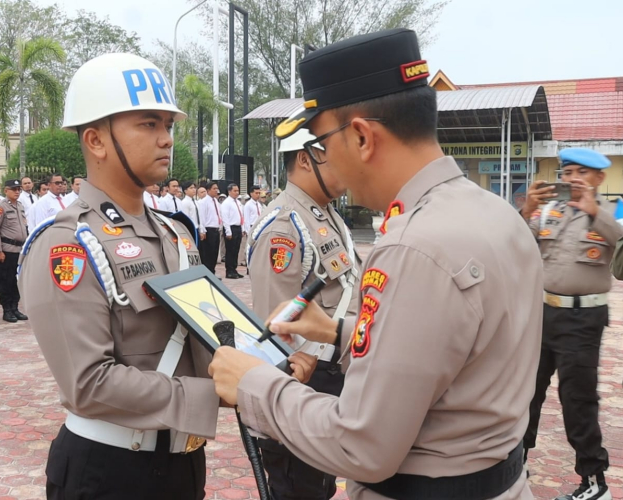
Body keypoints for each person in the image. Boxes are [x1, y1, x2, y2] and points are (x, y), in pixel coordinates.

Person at [209, 28, 543, 499]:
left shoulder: (413, 245)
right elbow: (451, 348)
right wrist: (337, 331)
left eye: (322, 143)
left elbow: (362, 444)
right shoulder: (495, 213)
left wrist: (253, 384)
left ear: (362, 136)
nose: (325, 162)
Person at [19, 52, 226, 500]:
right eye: (148, 125)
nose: (166, 139)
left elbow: (202, 336)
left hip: (182, 462)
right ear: (96, 140)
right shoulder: (68, 244)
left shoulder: (173, 233)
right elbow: (88, 382)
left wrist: (259, 366)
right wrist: (212, 395)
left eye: (168, 126)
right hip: (109, 470)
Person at [247, 128, 361, 500]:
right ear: (304, 158)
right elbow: (276, 325)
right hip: (305, 382)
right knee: (300, 489)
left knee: (320, 487)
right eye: (335, 154)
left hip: (331, 375)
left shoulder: (325, 215)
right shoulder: (284, 224)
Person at [521, 148, 621, 500]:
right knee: (525, 393)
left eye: (582, 172)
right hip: (543, 315)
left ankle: (594, 482)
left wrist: (597, 215)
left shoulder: (612, 212)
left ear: (598, 179)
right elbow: (514, 245)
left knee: (577, 400)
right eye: (568, 172)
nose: (573, 178)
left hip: (582, 320)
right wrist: (527, 210)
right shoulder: (551, 210)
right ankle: (516, 464)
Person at [0, 179, 29, 323]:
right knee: (6, 281)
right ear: (6, 190)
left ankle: (15, 307)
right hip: (8, 249)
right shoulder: (0, 207)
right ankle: (7, 309)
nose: (17, 192)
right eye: (14, 189)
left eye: (19, 189)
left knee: (17, 281)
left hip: (20, 249)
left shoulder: (20, 206)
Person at [197, 181, 223, 275]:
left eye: (217, 188)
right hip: (208, 229)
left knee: (214, 253)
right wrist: (202, 230)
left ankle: (212, 271)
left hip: (216, 230)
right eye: (214, 189)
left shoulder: (216, 201)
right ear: (208, 190)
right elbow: (202, 217)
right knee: (208, 253)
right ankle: (207, 273)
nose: (216, 190)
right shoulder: (204, 202)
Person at [220, 183, 244, 279]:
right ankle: (229, 271)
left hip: (238, 227)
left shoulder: (238, 202)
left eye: (238, 191)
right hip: (231, 227)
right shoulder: (226, 203)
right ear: (229, 191)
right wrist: (228, 231)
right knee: (230, 251)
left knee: (236, 250)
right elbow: (225, 218)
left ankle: (234, 269)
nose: (237, 193)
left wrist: (242, 228)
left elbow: (241, 216)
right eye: (234, 191)